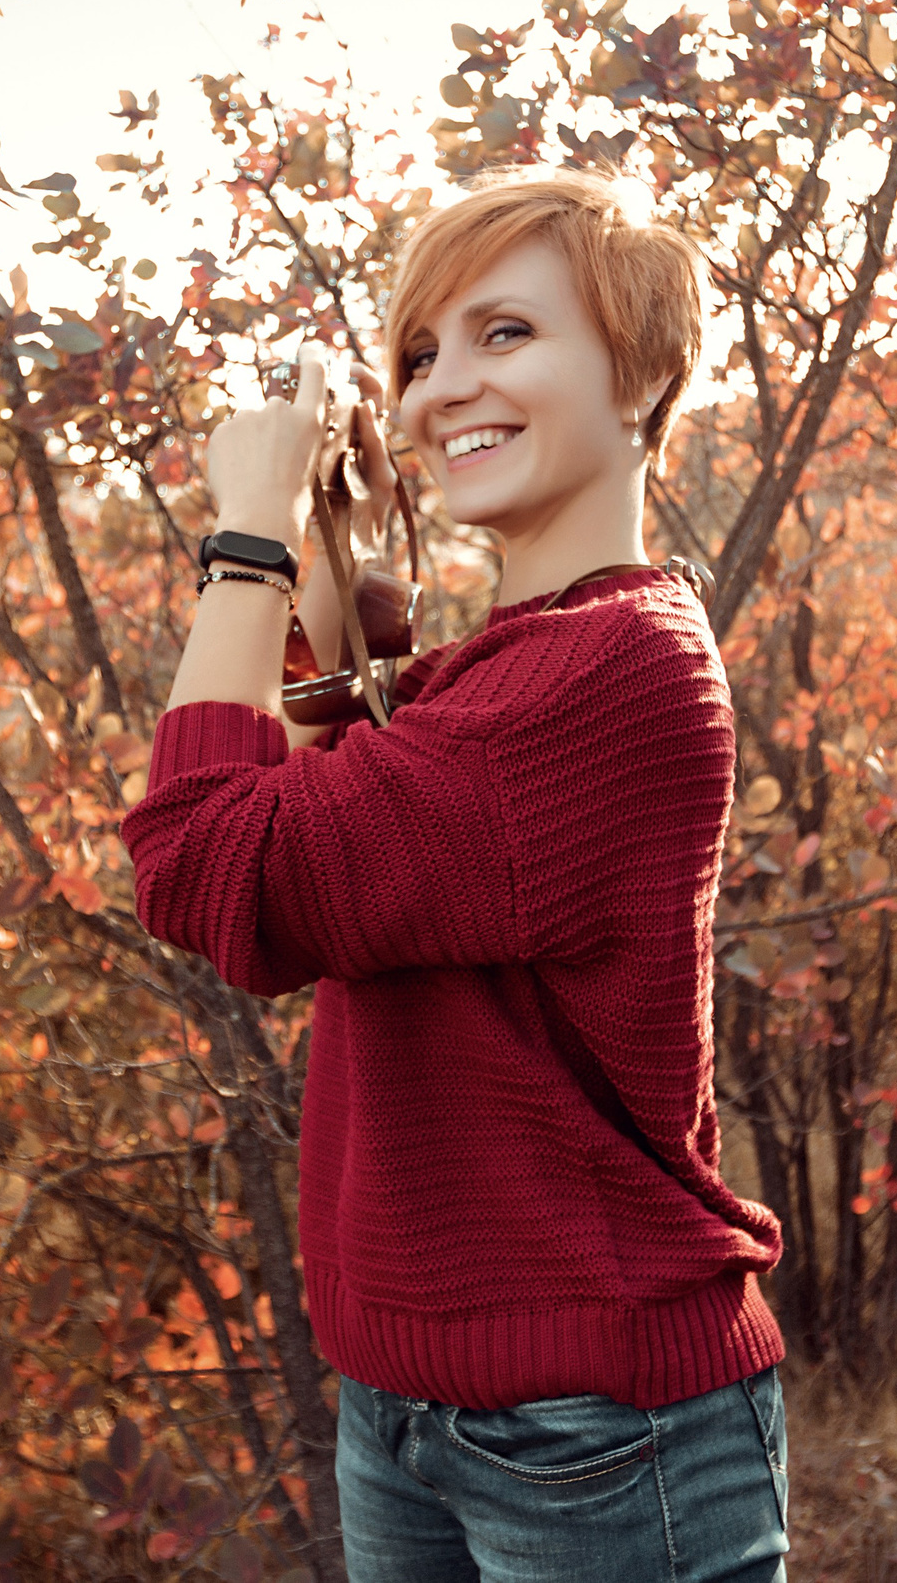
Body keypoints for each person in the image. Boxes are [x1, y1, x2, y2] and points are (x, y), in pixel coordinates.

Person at [120, 168, 788, 1582]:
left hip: (594, 1431)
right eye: (421, 353)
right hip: (420, 1402)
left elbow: (204, 865)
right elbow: (348, 821)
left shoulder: (604, 675)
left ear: (643, 375)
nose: (440, 388)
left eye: (505, 335)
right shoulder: (524, 664)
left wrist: (245, 540)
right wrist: (331, 559)